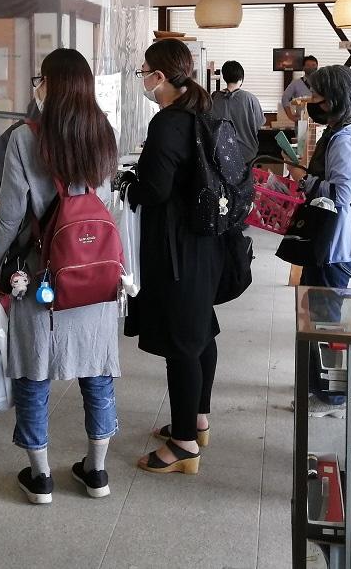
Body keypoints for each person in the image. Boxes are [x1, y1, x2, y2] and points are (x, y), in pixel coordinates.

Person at [0, 49, 120, 505]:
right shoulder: (104, 134)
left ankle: (40, 478)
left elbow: (9, 216)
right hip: (95, 271)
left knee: (33, 370)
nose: (35, 86)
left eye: (40, 78)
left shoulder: (26, 137)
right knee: (97, 371)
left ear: (51, 85)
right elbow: (106, 207)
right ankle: (97, 472)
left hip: (39, 275)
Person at [125, 39, 225, 474]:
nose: (143, 79)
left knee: (182, 342)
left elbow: (156, 190)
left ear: (160, 77)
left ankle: (184, 443)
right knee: (201, 330)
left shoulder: (168, 122)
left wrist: (130, 183)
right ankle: (197, 419)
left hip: (175, 246)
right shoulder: (202, 111)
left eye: (144, 71)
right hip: (206, 240)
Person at [284, 65, 351, 417]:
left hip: (336, 241)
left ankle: (333, 395)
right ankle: (320, 382)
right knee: (319, 312)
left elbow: (342, 194)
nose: (311, 101)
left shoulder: (346, 140)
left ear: (332, 100)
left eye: (315, 95)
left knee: (326, 318)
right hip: (338, 239)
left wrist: (305, 179)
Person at [211, 60, 264, 165]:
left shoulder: (214, 98)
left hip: (221, 156)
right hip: (247, 155)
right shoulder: (250, 99)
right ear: (241, 78)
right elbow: (259, 124)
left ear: (224, 77)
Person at [280, 55, 319, 122]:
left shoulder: (323, 82)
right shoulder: (296, 83)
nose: (311, 67)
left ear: (317, 67)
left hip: (319, 121)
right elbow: (285, 98)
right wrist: (290, 116)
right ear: (303, 67)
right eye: (308, 65)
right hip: (301, 120)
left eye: (313, 65)